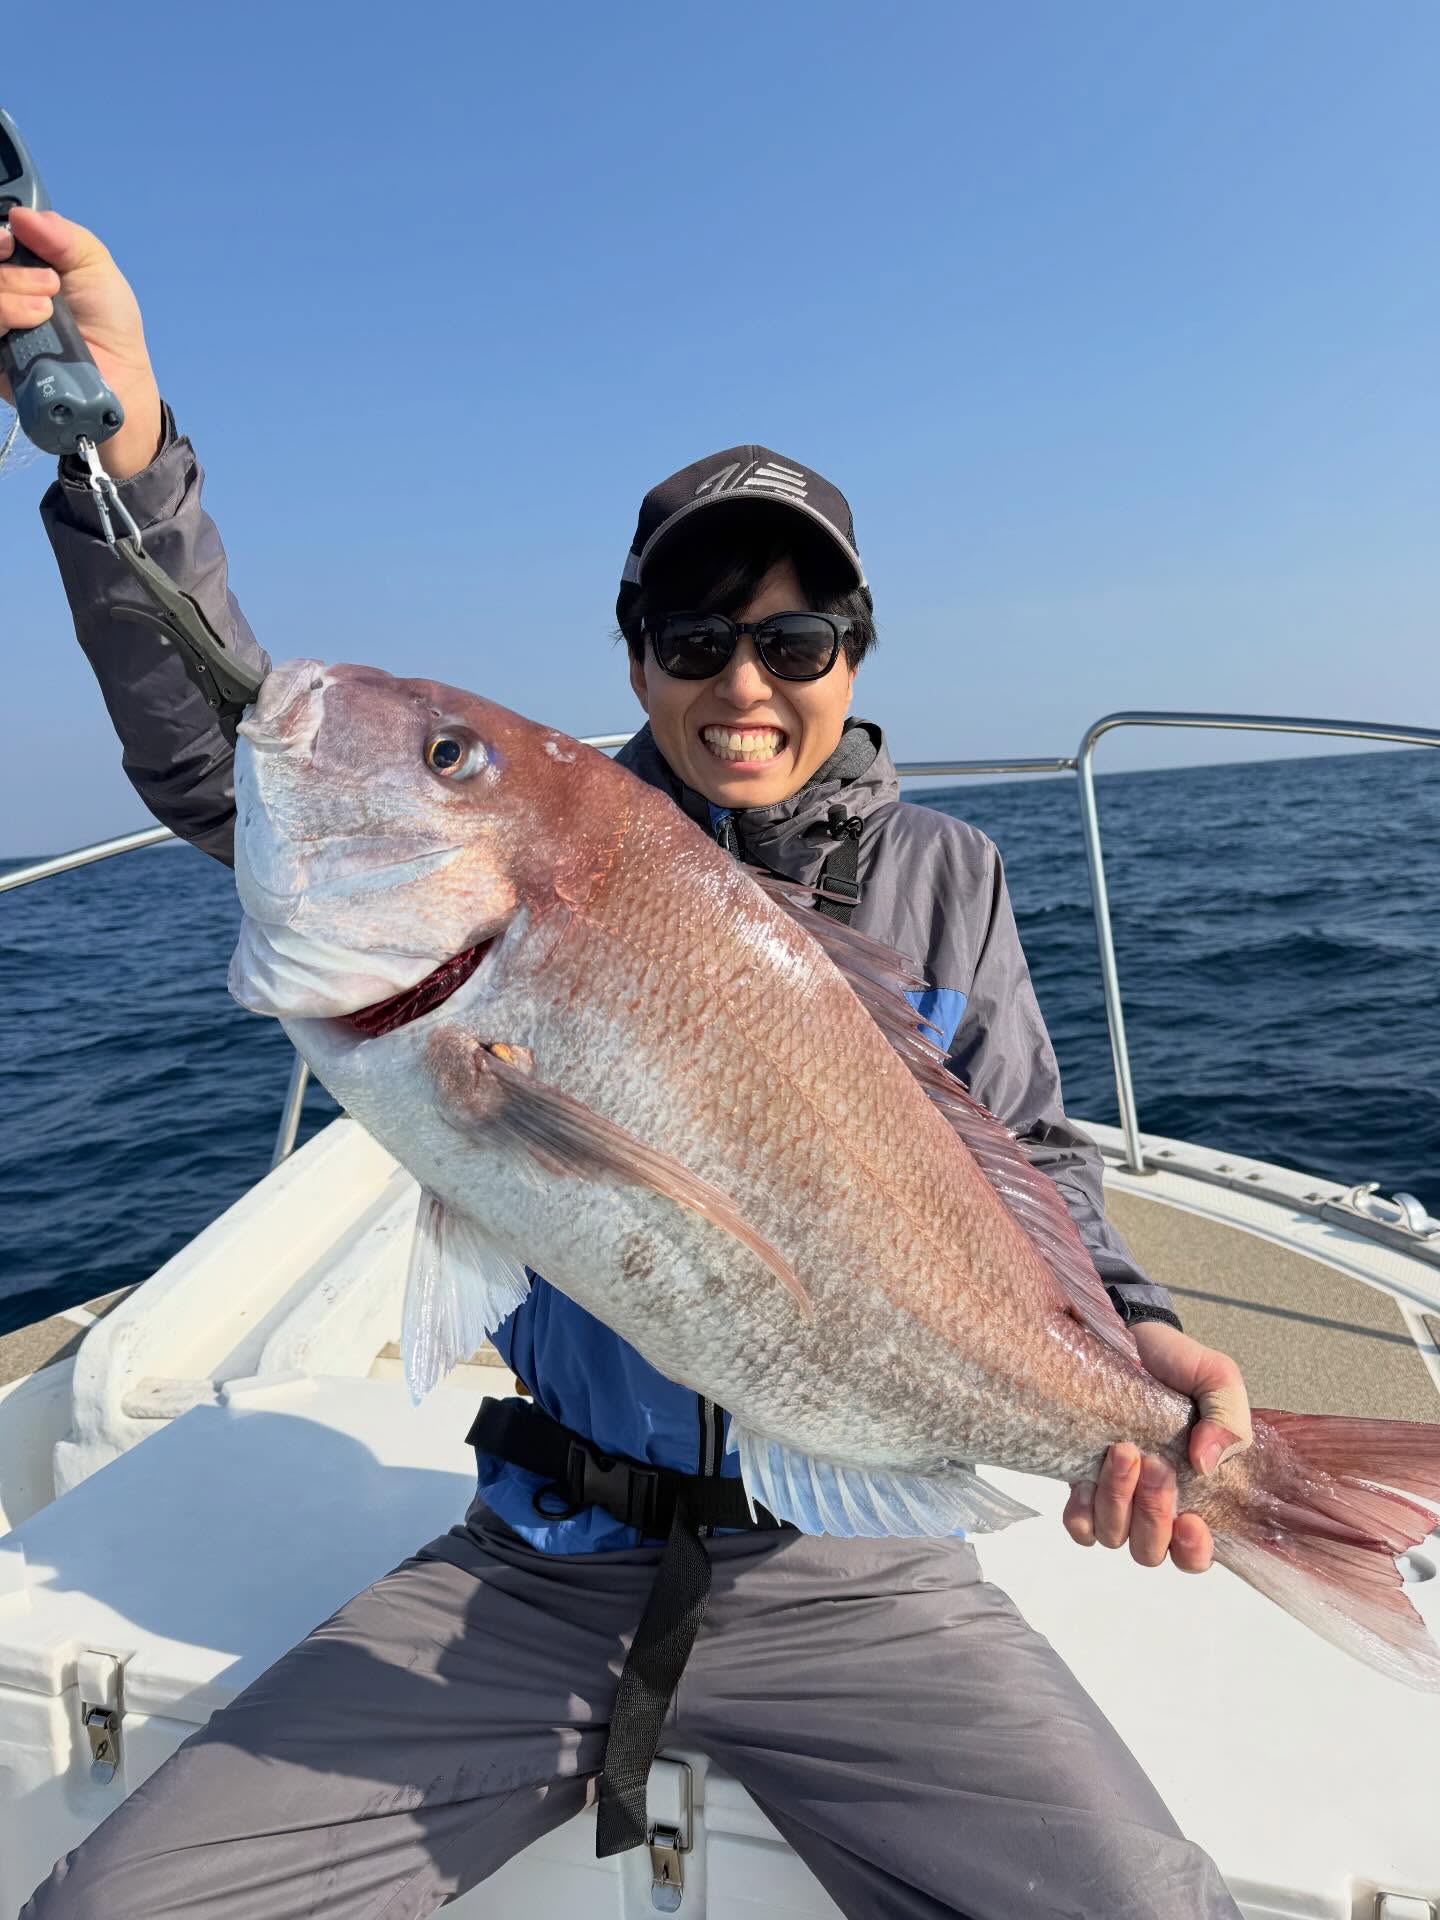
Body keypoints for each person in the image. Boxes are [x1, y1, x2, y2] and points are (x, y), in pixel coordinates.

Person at [4, 208, 1252, 1920]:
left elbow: (1030, 1161)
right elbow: (230, 748)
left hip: (861, 1574)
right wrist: (124, 445)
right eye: (694, 638)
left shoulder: (947, 875)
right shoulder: (568, 850)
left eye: (796, 640)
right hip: (540, 1566)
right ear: (638, 654)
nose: (747, 681)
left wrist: (1140, 1353)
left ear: (854, 655)